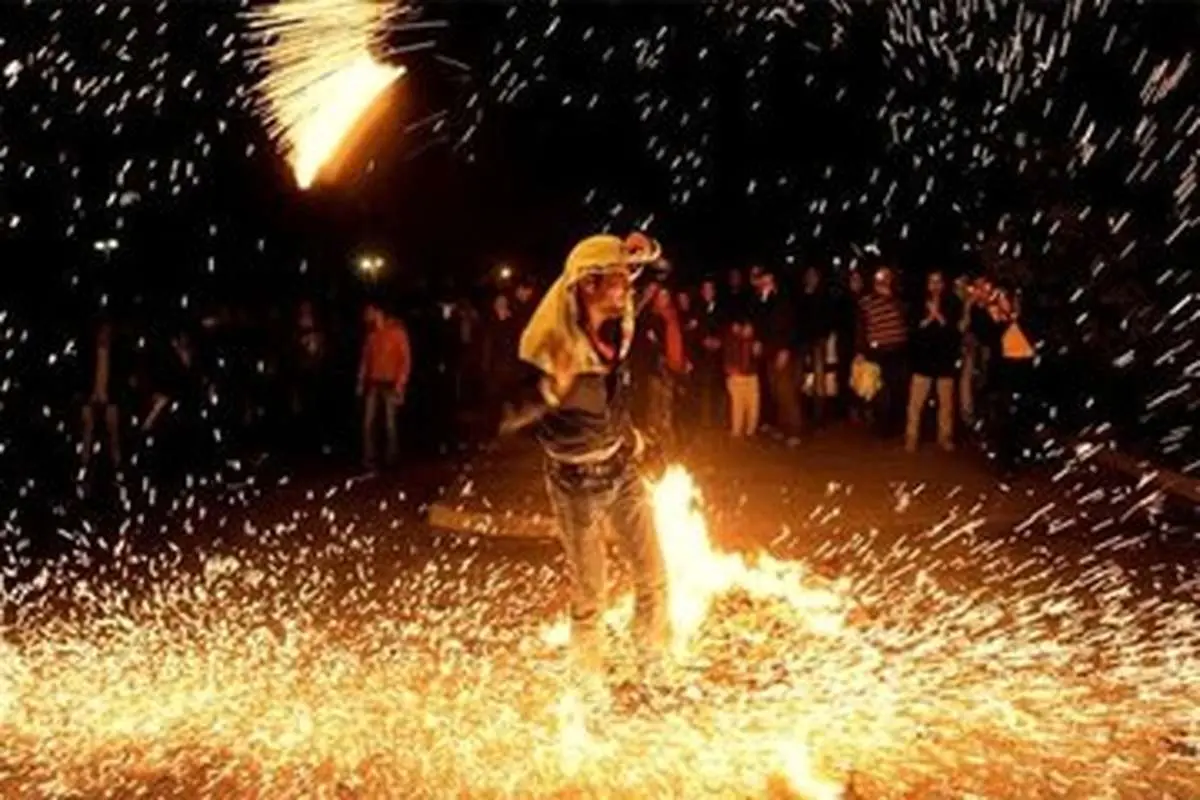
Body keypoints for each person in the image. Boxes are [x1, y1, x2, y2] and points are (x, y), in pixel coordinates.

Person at [499, 232, 670, 702]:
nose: (627, 287)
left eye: (625, 278)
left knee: (653, 578)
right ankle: (587, 692)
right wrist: (545, 393)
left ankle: (653, 671)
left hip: (622, 469)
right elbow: (507, 415)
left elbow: (659, 273)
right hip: (576, 484)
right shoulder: (551, 347)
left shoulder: (615, 321)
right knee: (591, 597)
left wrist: (646, 249)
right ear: (588, 285)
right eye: (617, 279)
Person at [905, 270, 961, 453]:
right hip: (923, 360)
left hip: (945, 360)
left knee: (946, 403)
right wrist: (930, 317)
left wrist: (937, 314)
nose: (935, 285)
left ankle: (945, 437)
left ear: (943, 284)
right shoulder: (918, 304)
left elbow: (952, 330)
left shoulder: (952, 303)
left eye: (938, 282)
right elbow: (915, 329)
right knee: (916, 402)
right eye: (932, 282)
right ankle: (911, 437)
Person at [856, 266, 909, 438]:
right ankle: (881, 427)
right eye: (880, 277)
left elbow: (906, 316)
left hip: (898, 349)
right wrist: (861, 350)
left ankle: (896, 425)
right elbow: (861, 328)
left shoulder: (898, 299)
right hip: (879, 351)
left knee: (898, 388)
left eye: (887, 277)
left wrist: (891, 297)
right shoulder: (866, 302)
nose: (883, 281)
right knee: (881, 390)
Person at [357, 303, 411, 469]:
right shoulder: (372, 335)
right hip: (374, 382)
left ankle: (391, 457)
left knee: (390, 423)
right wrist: (361, 381)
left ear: (378, 312)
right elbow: (366, 360)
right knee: (368, 423)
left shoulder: (396, 332)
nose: (366, 317)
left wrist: (400, 384)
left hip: (390, 383)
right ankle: (370, 457)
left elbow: (405, 360)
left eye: (369, 312)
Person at [752, 266, 801, 445]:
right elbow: (761, 323)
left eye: (765, 278)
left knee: (786, 390)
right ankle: (783, 426)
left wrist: (785, 349)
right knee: (775, 390)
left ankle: (794, 430)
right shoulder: (763, 300)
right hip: (770, 350)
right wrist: (758, 340)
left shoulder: (784, 298)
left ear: (771, 278)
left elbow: (790, 325)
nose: (762, 282)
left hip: (782, 350)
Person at [79, 318, 129, 479]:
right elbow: (83, 380)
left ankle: (117, 466)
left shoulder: (116, 357)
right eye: (102, 333)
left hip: (109, 399)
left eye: (107, 334)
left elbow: (119, 382)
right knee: (87, 425)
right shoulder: (88, 355)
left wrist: (111, 399)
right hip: (91, 399)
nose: (104, 337)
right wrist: (88, 398)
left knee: (113, 425)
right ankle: (84, 464)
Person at [724, 315, 762, 438]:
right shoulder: (733, 341)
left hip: (751, 377)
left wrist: (757, 352)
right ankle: (736, 431)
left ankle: (750, 431)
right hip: (737, 377)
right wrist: (730, 374)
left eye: (750, 329)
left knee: (753, 405)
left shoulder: (754, 343)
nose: (748, 331)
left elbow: (758, 358)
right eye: (746, 328)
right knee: (737, 406)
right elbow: (728, 358)